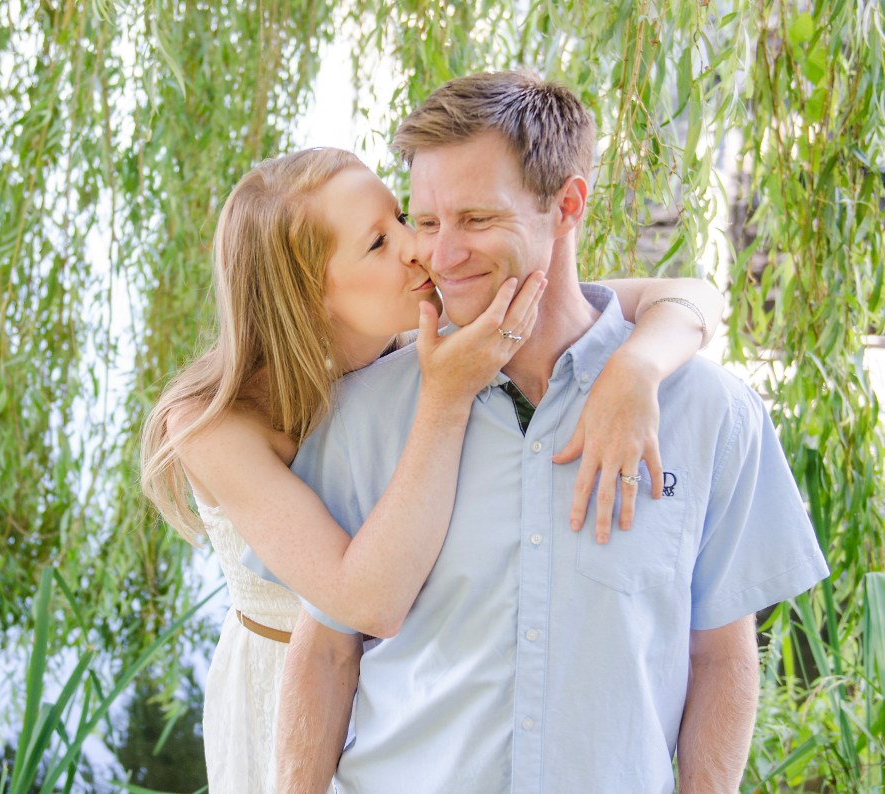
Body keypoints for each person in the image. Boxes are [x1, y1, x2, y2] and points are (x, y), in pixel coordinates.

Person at [274, 72, 830, 794]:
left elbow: (722, 657)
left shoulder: (711, 415)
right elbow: (324, 655)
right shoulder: (364, 414)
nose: (441, 257)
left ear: (567, 206)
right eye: (429, 222)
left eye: (476, 220)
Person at [141, 148, 725, 794]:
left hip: (409, 689)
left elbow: (685, 297)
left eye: (399, 217)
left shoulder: (437, 323)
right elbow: (367, 602)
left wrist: (636, 367)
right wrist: (447, 396)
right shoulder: (215, 426)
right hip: (288, 692)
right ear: (309, 294)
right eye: (377, 243)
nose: (420, 250)